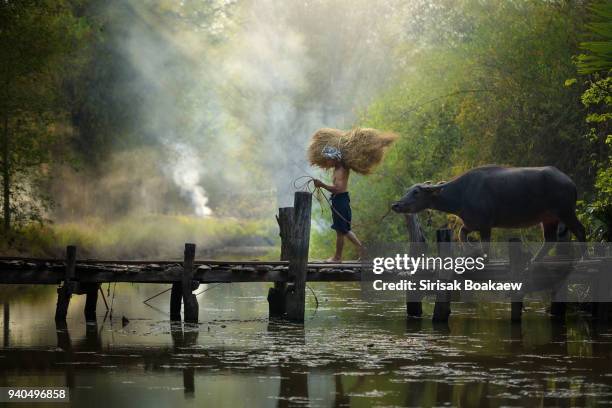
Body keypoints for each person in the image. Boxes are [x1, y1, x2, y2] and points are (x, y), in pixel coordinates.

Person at [313, 147, 364, 262]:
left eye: (328, 159)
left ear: (335, 159)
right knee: (344, 229)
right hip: (340, 200)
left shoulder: (340, 170)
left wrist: (322, 185)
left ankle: (337, 257)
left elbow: (338, 189)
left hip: (341, 200)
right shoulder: (338, 167)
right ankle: (362, 249)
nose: (327, 162)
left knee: (340, 231)